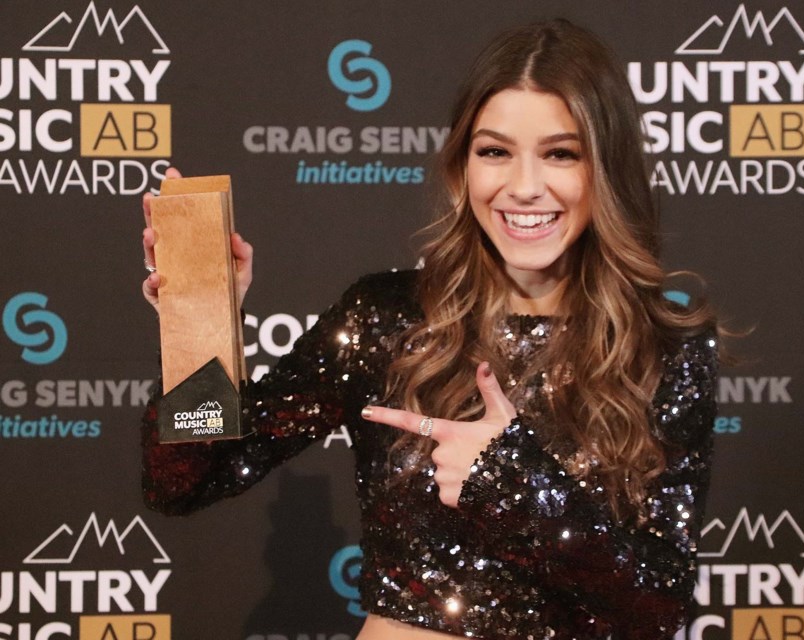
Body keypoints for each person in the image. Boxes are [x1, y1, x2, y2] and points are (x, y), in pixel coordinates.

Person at [140, 19, 719, 640]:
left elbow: (658, 607)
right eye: (494, 151)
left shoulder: (665, 347)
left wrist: (507, 477)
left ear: (605, 166)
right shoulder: (385, 320)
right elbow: (185, 483)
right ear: (462, 165)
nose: (523, 187)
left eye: (561, 153)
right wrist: (200, 319)